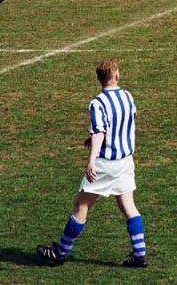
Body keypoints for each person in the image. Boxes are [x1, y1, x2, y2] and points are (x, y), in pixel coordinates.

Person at [37, 59, 148, 268]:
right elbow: (125, 123)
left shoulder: (98, 103)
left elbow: (99, 131)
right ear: (117, 76)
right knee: (128, 205)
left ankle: (60, 253)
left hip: (105, 163)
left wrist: (91, 161)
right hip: (125, 161)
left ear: (99, 79)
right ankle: (140, 254)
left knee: (81, 206)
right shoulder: (127, 96)